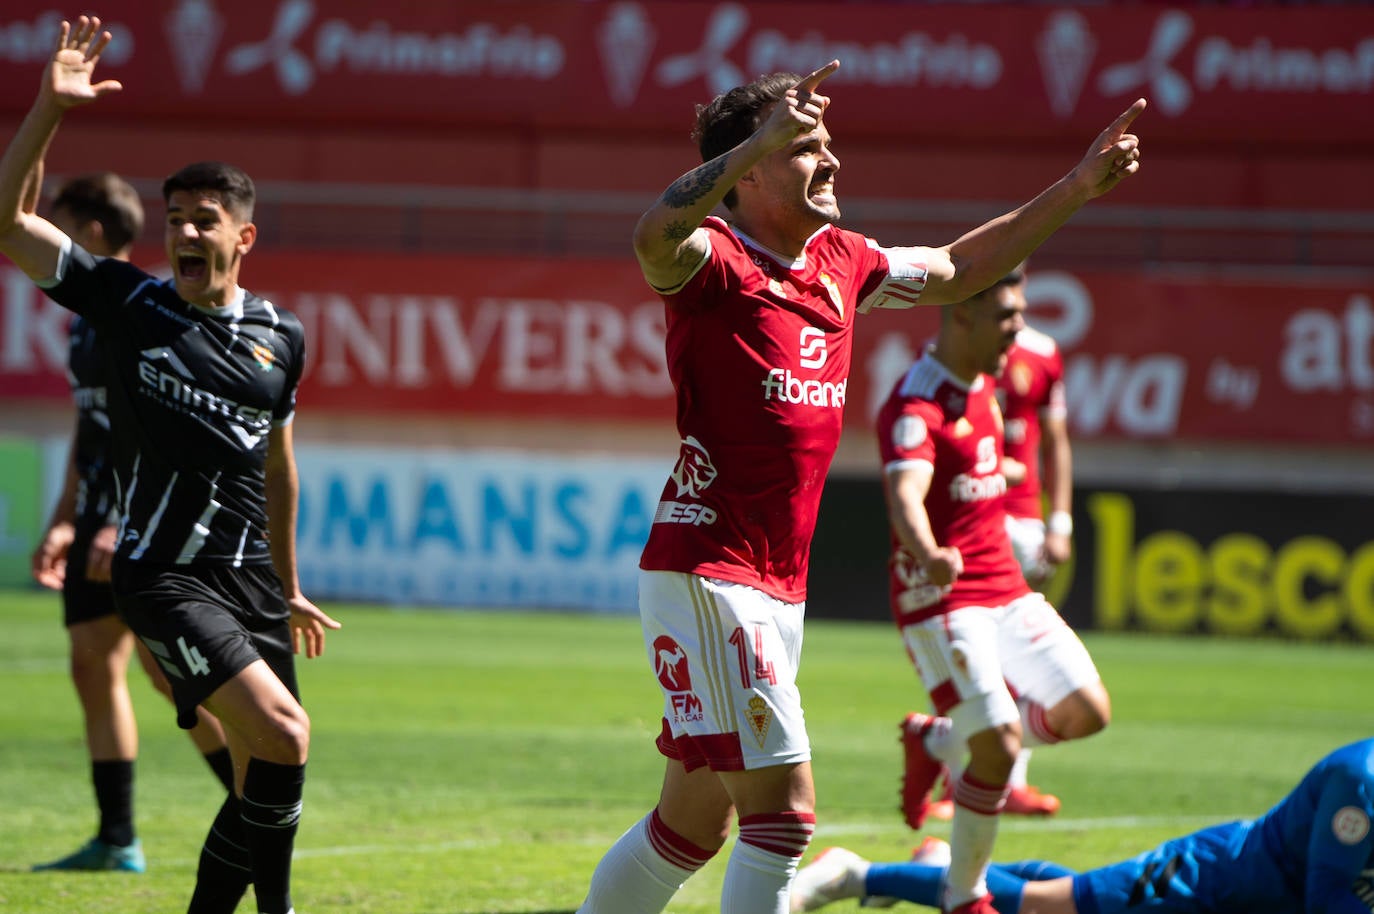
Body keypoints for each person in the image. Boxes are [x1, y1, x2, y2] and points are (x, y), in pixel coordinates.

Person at [573, 52, 1143, 914]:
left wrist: (1075, 187)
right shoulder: (713, 261)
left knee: (690, 823)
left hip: (774, 584)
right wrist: (750, 143)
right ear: (753, 170)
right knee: (786, 818)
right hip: (711, 570)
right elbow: (652, 235)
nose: (831, 160)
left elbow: (957, 269)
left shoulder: (841, 261)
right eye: (806, 148)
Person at [0, 17, 340, 914]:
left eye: (205, 220)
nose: (185, 232)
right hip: (161, 574)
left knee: (270, 766)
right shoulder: (130, 302)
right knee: (285, 734)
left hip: (253, 579)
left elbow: (280, 466)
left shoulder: (282, 336)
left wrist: (292, 581)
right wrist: (47, 110)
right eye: (175, 218)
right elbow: (9, 224)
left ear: (244, 237)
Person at [876, 270, 1111, 913]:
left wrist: (1000, 469)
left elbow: (980, 462)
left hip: (1003, 585)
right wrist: (928, 553)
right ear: (962, 317)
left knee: (1087, 709)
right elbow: (904, 493)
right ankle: (964, 896)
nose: (1019, 327)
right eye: (1007, 315)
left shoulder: (983, 383)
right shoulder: (915, 404)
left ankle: (939, 742)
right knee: (1001, 746)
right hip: (941, 599)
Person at [29, 172, 236, 874]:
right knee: (94, 665)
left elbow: (161, 434)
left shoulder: (142, 313)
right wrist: (66, 521)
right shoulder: (84, 325)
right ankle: (117, 838)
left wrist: (122, 522)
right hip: (93, 524)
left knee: (168, 673)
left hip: (141, 527)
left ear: (86, 233)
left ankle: (258, 807)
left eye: (54, 221)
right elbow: (91, 435)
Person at [791, 737, 1374, 914]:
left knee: (1066, 903)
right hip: (1214, 884)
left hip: (1260, 901)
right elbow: (1329, 901)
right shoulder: (1361, 780)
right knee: (1045, 906)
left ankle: (943, 868)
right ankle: (857, 874)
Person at [925, 264, 1070, 822]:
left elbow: (1055, 442)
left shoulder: (1044, 353)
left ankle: (998, 776)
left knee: (1017, 654)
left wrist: (1061, 522)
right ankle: (958, 770)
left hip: (1023, 514)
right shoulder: (950, 348)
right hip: (968, 510)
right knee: (971, 646)